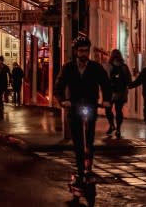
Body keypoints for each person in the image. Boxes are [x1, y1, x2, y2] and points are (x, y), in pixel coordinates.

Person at [53, 38, 111, 184]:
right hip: (74, 105)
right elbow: (58, 86)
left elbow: (105, 84)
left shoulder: (95, 67)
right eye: (81, 51)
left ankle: (89, 166)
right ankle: (79, 168)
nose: (84, 53)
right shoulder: (68, 68)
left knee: (89, 137)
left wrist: (106, 100)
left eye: (86, 50)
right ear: (75, 51)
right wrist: (62, 101)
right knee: (78, 139)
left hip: (90, 104)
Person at [104, 49, 132, 138]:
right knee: (118, 110)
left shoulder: (109, 66)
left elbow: (105, 79)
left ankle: (112, 125)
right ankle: (118, 129)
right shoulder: (124, 67)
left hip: (110, 93)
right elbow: (129, 80)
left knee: (108, 109)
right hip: (121, 93)